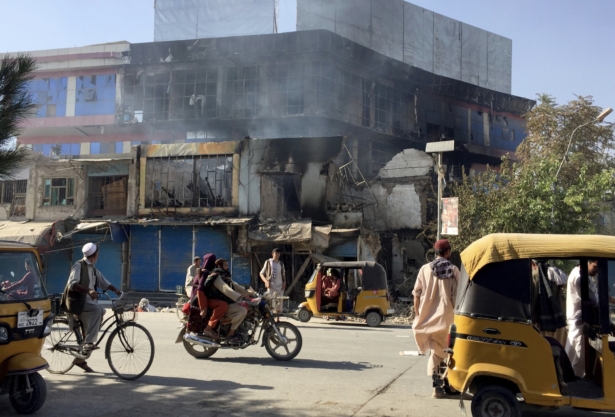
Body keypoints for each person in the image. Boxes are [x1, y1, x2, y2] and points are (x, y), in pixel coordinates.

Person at [61, 242, 122, 372]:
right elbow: (72, 284)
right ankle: (88, 342)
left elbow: (103, 282)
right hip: (78, 302)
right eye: (98, 253)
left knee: (101, 311)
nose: (99, 255)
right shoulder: (79, 266)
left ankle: (80, 358)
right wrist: (88, 290)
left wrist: (115, 289)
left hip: (87, 303)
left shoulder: (93, 268)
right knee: (98, 310)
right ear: (94, 255)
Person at [412, 239, 459, 399]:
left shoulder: (424, 269)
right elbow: (458, 297)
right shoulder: (454, 270)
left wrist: (418, 314)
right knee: (450, 354)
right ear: (448, 252)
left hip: (429, 320)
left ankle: (437, 388)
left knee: (435, 354)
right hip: (449, 320)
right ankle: (451, 386)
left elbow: (416, 294)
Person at [564, 260, 615, 378]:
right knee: (578, 360)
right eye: (595, 267)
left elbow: (596, 296)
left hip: (583, 323)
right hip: (581, 323)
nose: (596, 270)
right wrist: (610, 323)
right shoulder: (579, 278)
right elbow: (595, 302)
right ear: (587, 262)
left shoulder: (584, 276)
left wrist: (610, 299)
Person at [205, 258, 255, 344]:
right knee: (242, 310)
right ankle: (230, 334)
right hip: (219, 302)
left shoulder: (225, 276)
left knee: (246, 307)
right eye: (225, 265)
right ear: (219, 266)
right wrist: (239, 297)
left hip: (227, 301)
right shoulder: (216, 276)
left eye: (227, 265)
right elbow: (226, 289)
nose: (227, 267)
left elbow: (236, 286)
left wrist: (251, 293)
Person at [190, 253, 228, 339]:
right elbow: (200, 289)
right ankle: (208, 328)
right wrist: (203, 307)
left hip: (201, 298)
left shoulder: (205, 271)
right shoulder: (205, 272)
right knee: (223, 305)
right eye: (212, 261)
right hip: (201, 300)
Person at [260, 248, 286, 316]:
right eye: (276, 253)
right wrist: (266, 281)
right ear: (272, 254)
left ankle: (277, 320)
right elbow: (261, 273)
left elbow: (283, 274)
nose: (277, 254)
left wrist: (284, 282)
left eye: (278, 253)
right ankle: (270, 320)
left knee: (279, 304)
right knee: (271, 304)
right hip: (271, 286)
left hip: (280, 286)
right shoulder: (268, 262)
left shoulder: (281, 264)